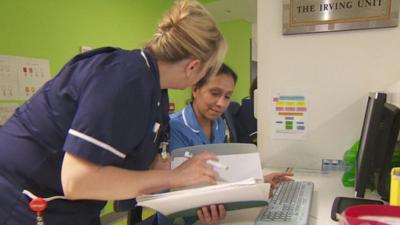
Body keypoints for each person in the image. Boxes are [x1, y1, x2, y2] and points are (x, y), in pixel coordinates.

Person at [0, 1, 226, 225]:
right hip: (24, 198)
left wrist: (163, 172)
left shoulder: (153, 88)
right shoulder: (125, 80)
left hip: (74, 206)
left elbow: (133, 162)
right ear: (193, 67)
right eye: (207, 72)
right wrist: (174, 177)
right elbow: (77, 182)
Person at [168, 65, 293, 223]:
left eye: (227, 96)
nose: (221, 103)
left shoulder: (219, 124)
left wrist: (258, 182)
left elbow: (220, 174)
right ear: (195, 89)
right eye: (215, 93)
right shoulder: (174, 127)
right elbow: (179, 190)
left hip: (213, 212)